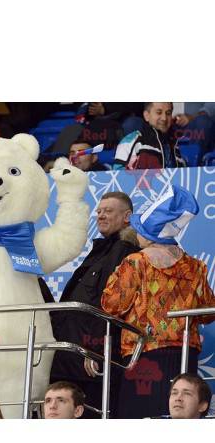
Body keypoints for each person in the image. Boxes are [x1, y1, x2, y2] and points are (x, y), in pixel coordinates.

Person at [102, 185, 215, 419]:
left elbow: (111, 305)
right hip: (183, 351)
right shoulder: (195, 267)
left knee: (139, 422)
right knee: (180, 417)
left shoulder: (135, 262)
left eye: (140, 228)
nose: (136, 232)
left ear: (151, 232)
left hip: (143, 353)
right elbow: (207, 312)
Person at [50, 192, 139, 417]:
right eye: (99, 211)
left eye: (108, 211)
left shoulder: (124, 251)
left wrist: (95, 352)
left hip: (91, 364)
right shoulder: (100, 249)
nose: (100, 215)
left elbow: (111, 308)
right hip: (69, 357)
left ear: (127, 216)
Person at [114, 102, 186, 170]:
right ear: (146, 115)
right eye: (159, 112)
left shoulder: (174, 143)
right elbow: (119, 179)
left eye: (168, 113)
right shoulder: (129, 142)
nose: (164, 118)